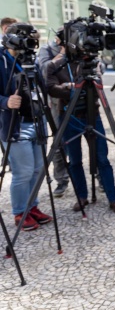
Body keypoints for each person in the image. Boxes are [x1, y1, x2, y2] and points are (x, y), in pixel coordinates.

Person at [45, 36, 115, 215]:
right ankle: (81, 196)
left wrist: (69, 86)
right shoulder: (55, 65)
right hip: (69, 116)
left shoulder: (91, 63)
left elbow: (98, 85)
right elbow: (50, 88)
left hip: (92, 114)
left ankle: (113, 198)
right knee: (74, 161)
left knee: (102, 159)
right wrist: (74, 88)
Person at [0, 23, 53, 230]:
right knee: (23, 172)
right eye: (29, 40)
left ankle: (32, 206)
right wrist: (5, 102)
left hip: (37, 121)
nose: (32, 44)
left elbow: (40, 86)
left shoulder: (29, 60)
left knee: (38, 170)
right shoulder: (2, 60)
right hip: (15, 124)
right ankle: (20, 211)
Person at [37, 28, 70, 197]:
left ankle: (100, 178)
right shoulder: (47, 49)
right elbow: (42, 71)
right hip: (56, 101)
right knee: (59, 141)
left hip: (78, 99)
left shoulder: (77, 47)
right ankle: (61, 181)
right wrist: (61, 57)